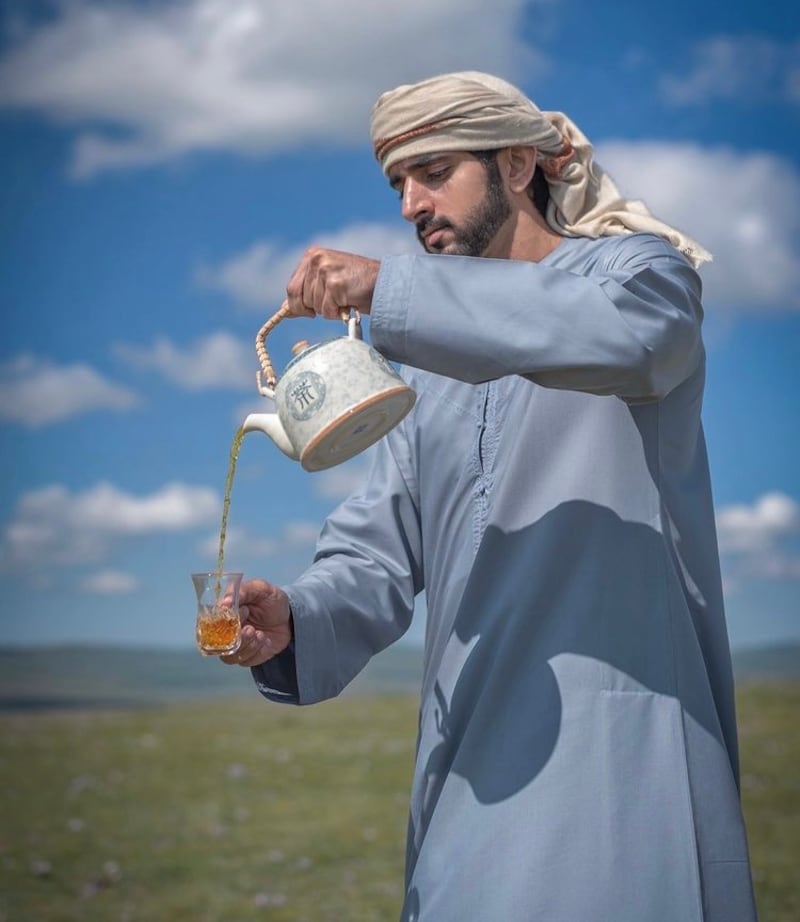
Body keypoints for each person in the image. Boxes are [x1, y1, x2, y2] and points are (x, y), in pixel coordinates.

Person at [221, 72, 758, 921]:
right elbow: (376, 552)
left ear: (517, 165)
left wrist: (384, 289)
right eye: (398, 183)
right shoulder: (419, 361)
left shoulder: (638, 274)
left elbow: (630, 341)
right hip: (465, 761)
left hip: (622, 750)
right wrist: (297, 617)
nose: (409, 203)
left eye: (433, 171)